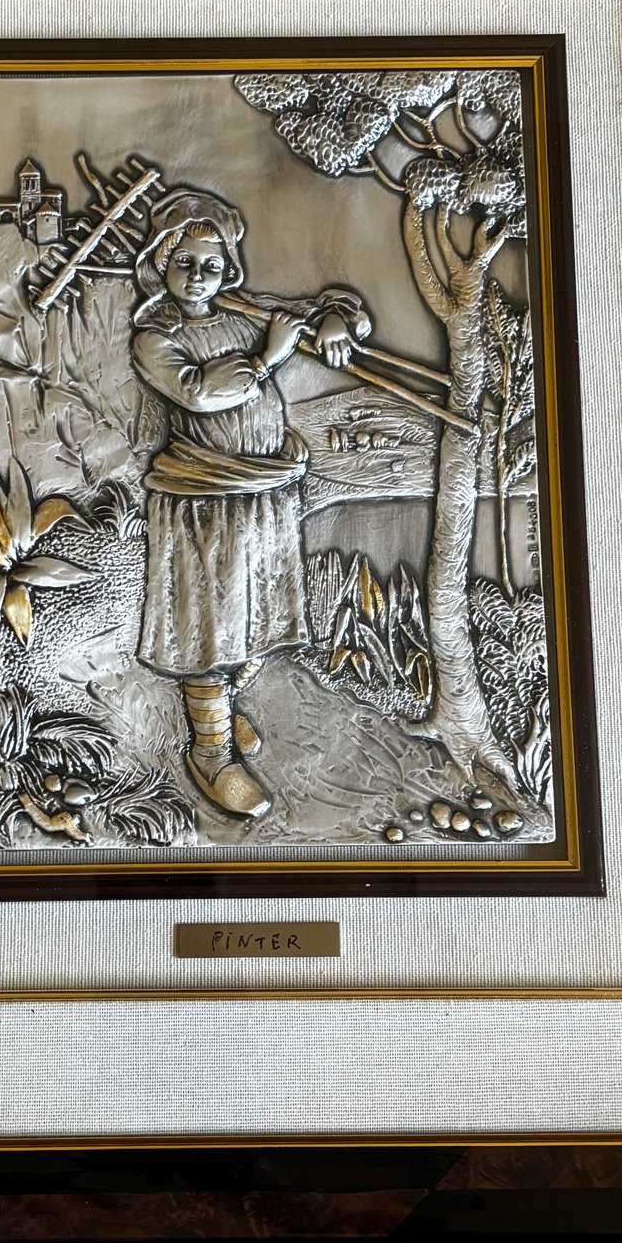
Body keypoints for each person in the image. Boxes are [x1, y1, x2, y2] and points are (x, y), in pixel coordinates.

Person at [130, 187, 370, 819]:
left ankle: (223, 707)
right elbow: (198, 392)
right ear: (160, 262)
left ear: (228, 267)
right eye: (184, 262)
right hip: (205, 497)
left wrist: (336, 319)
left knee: (250, 613)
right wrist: (266, 359)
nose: (198, 275)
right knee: (209, 625)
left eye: (211, 264)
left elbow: (324, 308)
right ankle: (209, 749)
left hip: (263, 491)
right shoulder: (156, 336)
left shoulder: (242, 311)